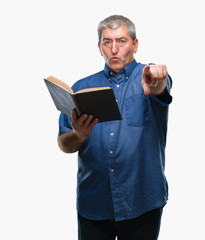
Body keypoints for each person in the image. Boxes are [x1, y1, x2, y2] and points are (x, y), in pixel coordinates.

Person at [57, 15, 172, 240]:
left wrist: (158, 79)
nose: (114, 49)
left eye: (121, 41)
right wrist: (78, 135)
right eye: (107, 42)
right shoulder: (81, 89)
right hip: (94, 203)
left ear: (135, 45)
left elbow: (160, 87)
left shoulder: (148, 77)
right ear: (100, 47)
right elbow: (64, 143)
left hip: (142, 200)